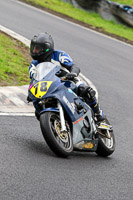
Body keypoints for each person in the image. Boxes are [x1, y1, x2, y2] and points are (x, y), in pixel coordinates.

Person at [28, 32, 105, 122]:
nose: (34, 51)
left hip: (67, 81)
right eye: (33, 48)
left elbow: (73, 66)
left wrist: (73, 73)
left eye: (37, 49)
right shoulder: (34, 64)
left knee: (85, 90)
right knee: (37, 108)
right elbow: (34, 79)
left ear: (46, 48)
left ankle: (99, 114)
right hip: (49, 87)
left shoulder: (58, 55)